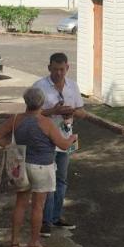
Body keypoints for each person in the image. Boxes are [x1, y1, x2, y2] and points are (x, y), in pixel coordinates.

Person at [0, 86, 77, 247]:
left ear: (26, 101)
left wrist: (10, 148)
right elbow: (63, 145)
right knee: (38, 207)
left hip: (21, 165)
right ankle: (34, 243)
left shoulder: (16, 119)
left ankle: (15, 242)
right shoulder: (47, 123)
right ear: (42, 103)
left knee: (20, 204)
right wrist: (72, 138)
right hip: (43, 167)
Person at [35, 52, 86, 235]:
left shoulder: (73, 86)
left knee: (61, 180)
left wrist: (71, 113)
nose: (58, 73)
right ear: (49, 68)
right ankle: (45, 221)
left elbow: (82, 112)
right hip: (45, 140)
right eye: (55, 69)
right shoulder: (40, 86)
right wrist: (53, 111)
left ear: (67, 68)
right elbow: (33, 113)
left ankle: (56, 217)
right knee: (47, 181)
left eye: (62, 70)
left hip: (65, 139)